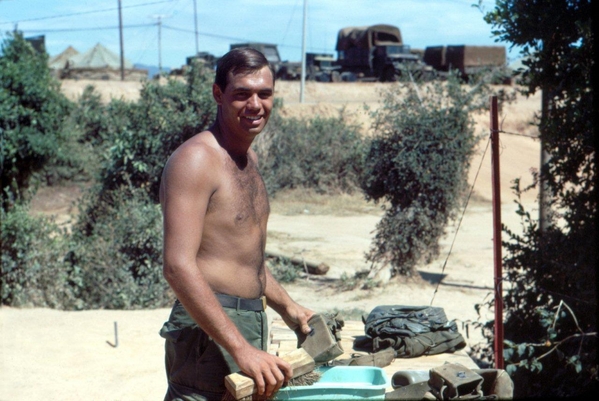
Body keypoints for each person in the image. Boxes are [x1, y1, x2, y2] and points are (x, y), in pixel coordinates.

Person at [158, 47, 314, 401]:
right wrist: (240, 348)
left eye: (265, 93)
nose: (255, 104)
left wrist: (288, 308)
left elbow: (242, 256)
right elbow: (177, 266)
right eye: (242, 94)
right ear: (218, 95)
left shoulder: (248, 159)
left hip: (246, 321)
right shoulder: (196, 159)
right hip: (208, 329)